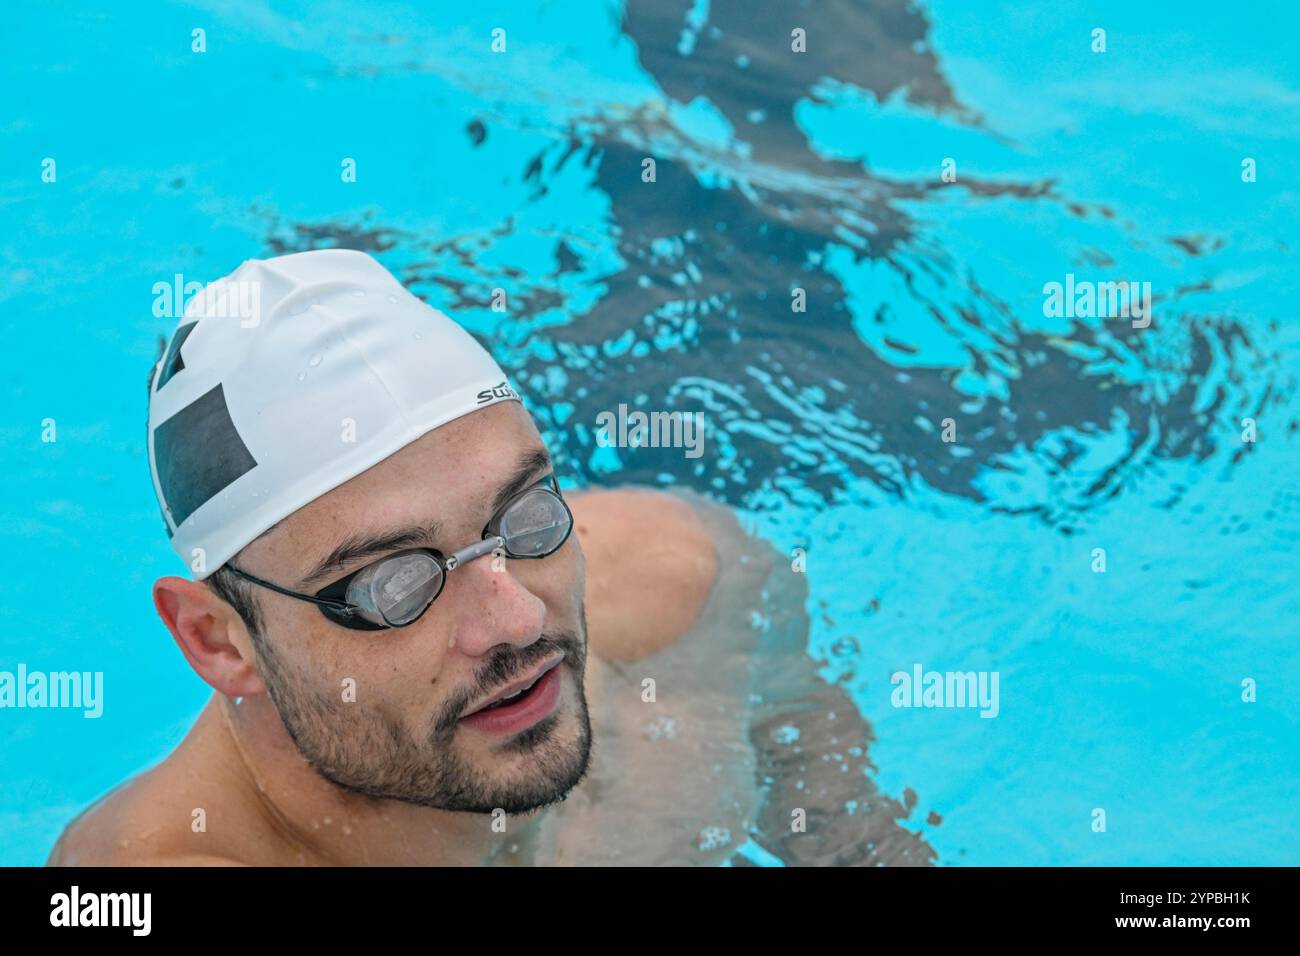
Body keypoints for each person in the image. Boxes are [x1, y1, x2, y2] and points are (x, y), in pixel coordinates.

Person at [47, 249, 934, 866]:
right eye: (394, 583)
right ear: (217, 641)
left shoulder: (687, 589)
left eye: (523, 516)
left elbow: (856, 847)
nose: (516, 619)